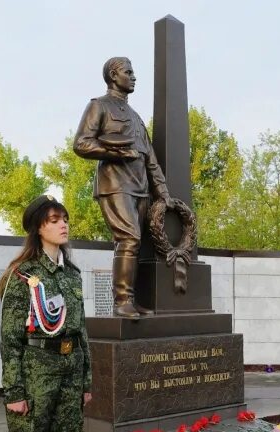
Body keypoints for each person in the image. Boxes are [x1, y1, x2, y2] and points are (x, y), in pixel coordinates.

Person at [0, 194, 93, 432]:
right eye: (54, 219)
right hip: (37, 370)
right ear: (38, 227)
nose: (63, 224)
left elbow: (81, 330)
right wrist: (14, 391)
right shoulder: (23, 276)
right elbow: (10, 340)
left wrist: (85, 380)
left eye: (64, 218)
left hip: (70, 370)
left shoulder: (71, 274)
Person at [73, 56, 175, 318]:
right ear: (113, 75)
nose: (133, 76)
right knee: (129, 238)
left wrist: (163, 194)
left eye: (133, 72)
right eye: (128, 72)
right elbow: (82, 144)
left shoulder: (136, 117)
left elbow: (150, 158)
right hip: (115, 185)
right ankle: (121, 302)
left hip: (140, 187)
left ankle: (130, 300)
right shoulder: (99, 106)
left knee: (135, 244)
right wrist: (117, 154)